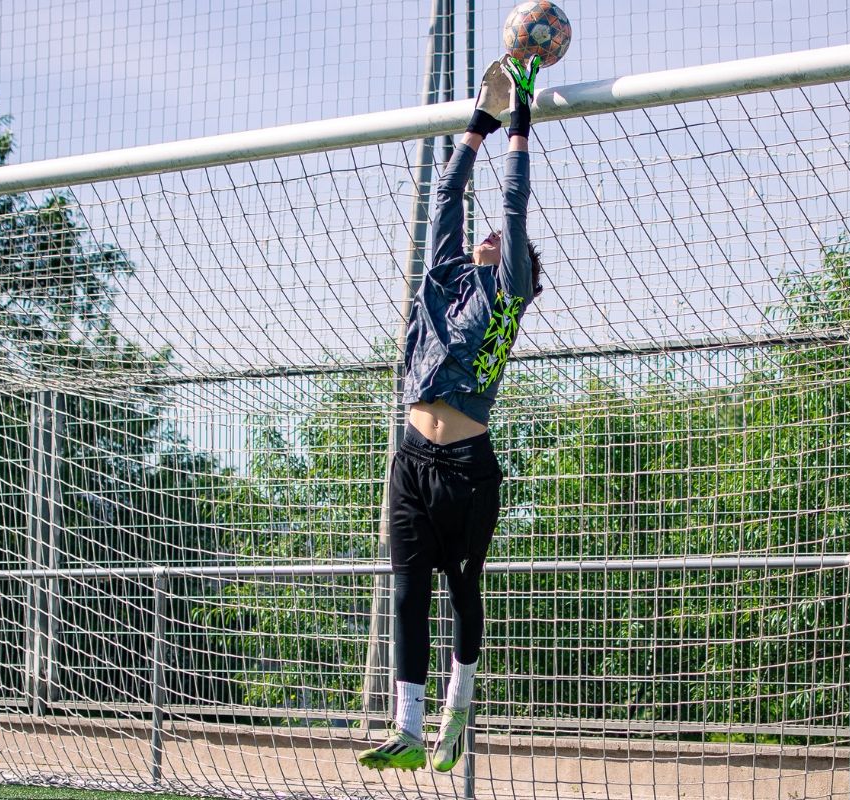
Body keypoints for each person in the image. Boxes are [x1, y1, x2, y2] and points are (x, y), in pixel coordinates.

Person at [358, 54, 544, 774]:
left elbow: (516, 205)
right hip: (412, 457)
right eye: (490, 237)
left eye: (507, 244)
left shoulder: (508, 291)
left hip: (468, 471)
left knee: (460, 589)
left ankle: (458, 707)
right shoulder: (445, 274)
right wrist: (481, 120)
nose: (493, 237)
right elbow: (446, 198)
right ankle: (406, 725)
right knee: (407, 590)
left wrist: (522, 122)